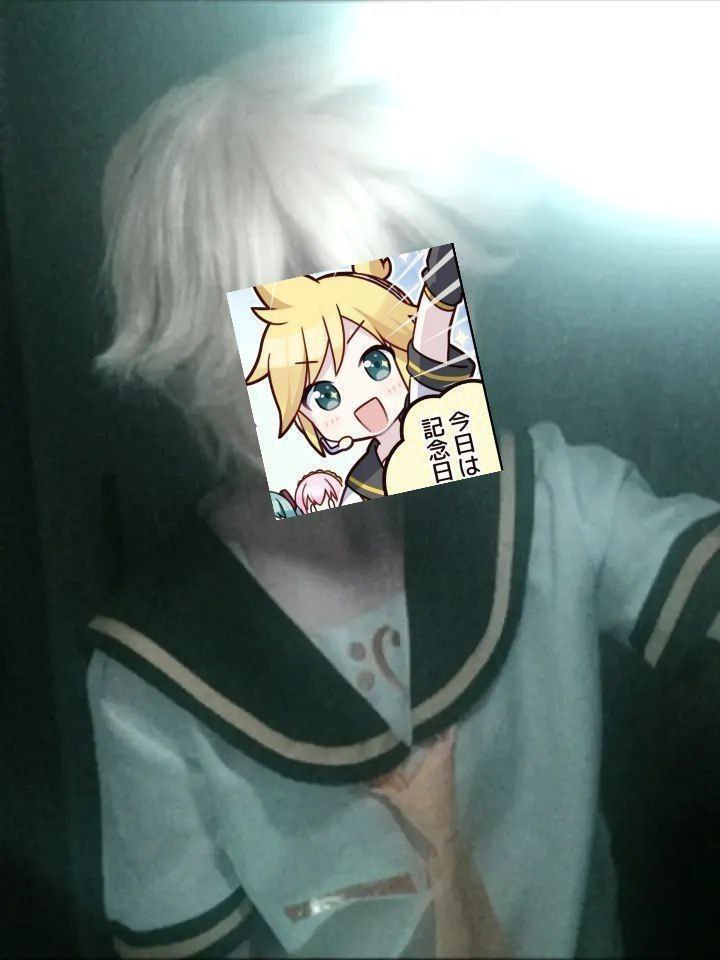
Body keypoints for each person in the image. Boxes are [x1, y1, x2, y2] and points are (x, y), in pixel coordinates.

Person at [86, 33, 720, 960]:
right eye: (322, 341)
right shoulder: (152, 678)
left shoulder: (552, 506)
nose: (382, 383)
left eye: (414, 303)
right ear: (211, 362)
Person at [246, 249, 476, 504]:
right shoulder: (363, 482)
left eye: (376, 365)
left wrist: (440, 290)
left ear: (398, 352)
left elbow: (429, 344)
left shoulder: (427, 407)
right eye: (325, 396)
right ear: (305, 413)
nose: (363, 401)